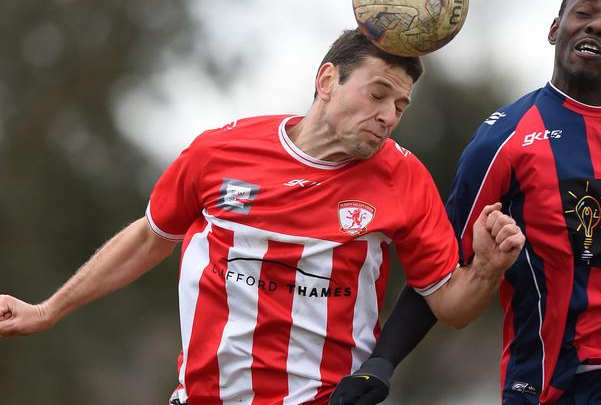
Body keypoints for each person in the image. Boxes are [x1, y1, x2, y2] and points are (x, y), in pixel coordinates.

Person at [0, 29, 524, 405]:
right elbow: (149, 236)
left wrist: (485, 267)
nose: (388, 115)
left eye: (401, 105)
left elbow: (452, 308)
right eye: (378, 93)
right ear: (326, 81)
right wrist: (48, 310)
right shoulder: (220, 151)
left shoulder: (404, 178)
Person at [330, 0, 601, 405]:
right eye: (584, 13)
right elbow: (440, 266)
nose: (596, 26)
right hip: (546, 384)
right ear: (556, 29)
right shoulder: (505, 140)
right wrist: (381, 363)